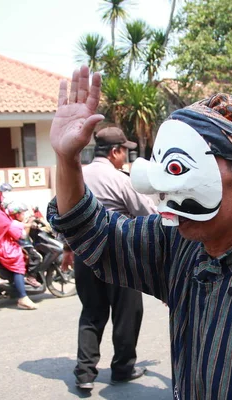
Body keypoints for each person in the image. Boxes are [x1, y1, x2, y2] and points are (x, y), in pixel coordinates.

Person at [47, 66, 232, 398]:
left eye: (180, 171)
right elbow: (92, 233)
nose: (166, 196)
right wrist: (67, 158)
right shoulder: (178, 244)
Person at [68, 126, 157, 391]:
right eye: (124, 153)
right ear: (115, 151)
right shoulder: (120, 180)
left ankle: (84, 373)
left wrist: (66, 250)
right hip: (118, 256)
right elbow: (146, 212)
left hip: (83, 254)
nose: (125, 158)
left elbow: (62, 212)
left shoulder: (75, 176)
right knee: (128, 312)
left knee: (92, 312)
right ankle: (122, 368)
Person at [0, 183, 37, 310]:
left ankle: (14, 290)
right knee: (18, 260)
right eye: (0, 193)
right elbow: (8, 226)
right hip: (0, 242)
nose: (2, 196)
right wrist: (22, 229)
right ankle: (22, 297)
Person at [6, 201, 43, 288]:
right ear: (17, 215)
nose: (24, 215)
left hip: (23, 245)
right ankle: (31, 277)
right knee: (37, 257)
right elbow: (23, 236)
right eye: (22, 214)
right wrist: (29, 224)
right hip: (21, 247)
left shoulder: (16, 222)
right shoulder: (15, 224)